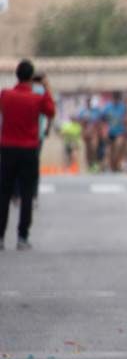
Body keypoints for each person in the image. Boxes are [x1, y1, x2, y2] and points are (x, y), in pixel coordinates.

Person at [0, 60, 56, 250]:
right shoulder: (36, 99)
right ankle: (22, 236)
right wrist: (46, 86)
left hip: (7, 149)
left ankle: (0, 236)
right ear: (32, 78)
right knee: (26, 195)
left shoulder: (5, 95)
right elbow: (51, 111)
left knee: (4, 193)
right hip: (29, 150)